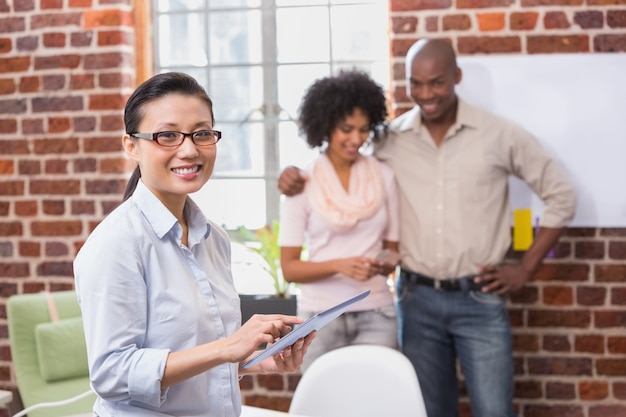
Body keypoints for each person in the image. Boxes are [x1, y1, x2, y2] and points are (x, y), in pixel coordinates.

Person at [278, 39, 577, 417]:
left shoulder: (499, 135)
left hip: (479, 300)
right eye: (415, 84)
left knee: (494, 411)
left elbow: (561, 195)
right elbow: (340, 161)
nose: (425, 94)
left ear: (456, 77)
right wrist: (291, 175)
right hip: (416, 301)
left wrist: (524, 268)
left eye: (435, 82)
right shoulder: (391, 140)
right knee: (427, 411)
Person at [74, 72, 315, 417]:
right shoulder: (116, 244)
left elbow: (193, 356)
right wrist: (226, 348)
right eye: (167, 136)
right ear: (131, 146)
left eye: (202, 134)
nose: (189, 150)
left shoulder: (213, 238)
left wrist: (251, 362)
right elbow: (112, 374)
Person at [278, 69, 401, 371]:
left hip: (377, 313)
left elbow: (392, 250)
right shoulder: (301, 183)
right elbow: (290, 268)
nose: (356, 139)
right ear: (327, 125)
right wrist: (340, 265)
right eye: (347, 129)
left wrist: (383, 263)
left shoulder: (384, 176)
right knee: (319, 407)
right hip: (320, 317)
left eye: (363, 129)